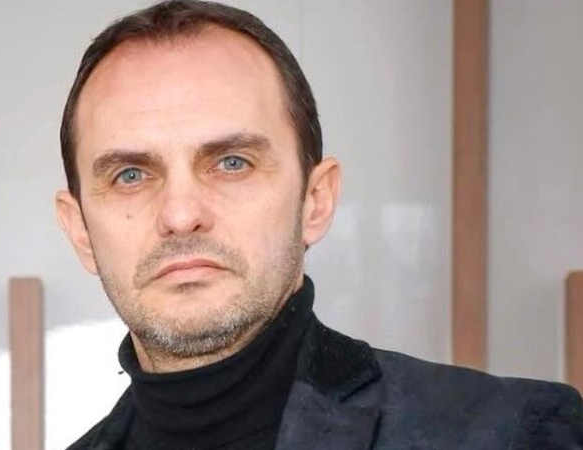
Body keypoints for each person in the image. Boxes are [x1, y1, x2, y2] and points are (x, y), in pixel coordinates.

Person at [54, 1, 583, 448]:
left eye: (232, 163)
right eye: (129, 175)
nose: (180, 214)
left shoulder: (521, 431)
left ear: (316, 200)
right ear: (80, 231)